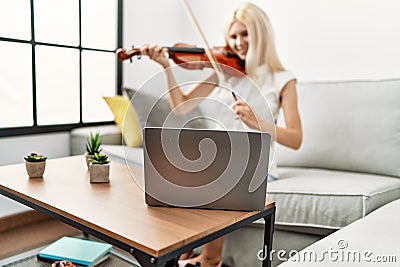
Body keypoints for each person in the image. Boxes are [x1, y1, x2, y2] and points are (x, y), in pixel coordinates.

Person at [140, 2, 302, 267]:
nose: (238, 42)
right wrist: (164, 66)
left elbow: (295, 138)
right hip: (218, 159)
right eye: (234, 35)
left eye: (245, 34)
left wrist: (257, 122)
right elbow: (180, 106)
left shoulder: (282, 79)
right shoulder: (224, 70)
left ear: (262, 34)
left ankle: (208, 259)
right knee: (179, 176)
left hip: (257, 162)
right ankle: (180, 256)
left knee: (219, 180)